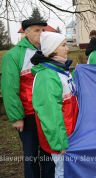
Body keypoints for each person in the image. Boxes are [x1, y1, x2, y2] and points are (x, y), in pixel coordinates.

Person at [1, 19, 55, 178]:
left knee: (48, 153)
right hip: (28, 113)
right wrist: (16, 117)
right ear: (26, 32)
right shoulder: (13, 55)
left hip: (47, 113)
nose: (41, 34)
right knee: (31, 156)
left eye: (42, 30)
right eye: (36, 30)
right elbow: (9, 88)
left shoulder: (48, 52)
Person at [31, 32, 79, 178]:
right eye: (64, 45)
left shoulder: (61, 69)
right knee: (63, 172)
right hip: (61, 138)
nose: (67, 49)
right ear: (52, 50)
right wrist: (59, 143)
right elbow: (50, 114)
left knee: (69, 170)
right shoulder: (47, 76)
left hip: (69, 133)